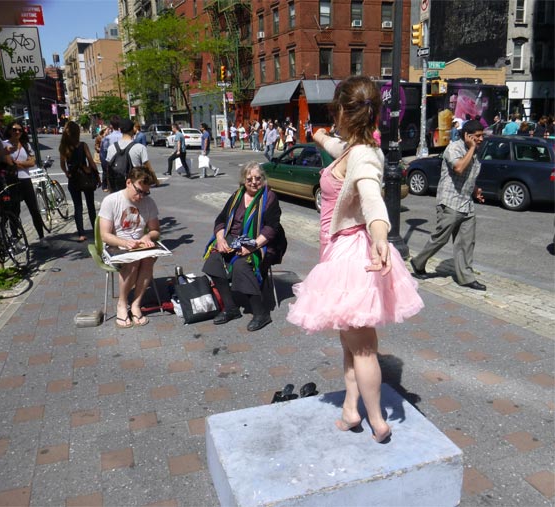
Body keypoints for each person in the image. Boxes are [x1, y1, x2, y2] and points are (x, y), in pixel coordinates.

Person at [286, 76, 424, 442]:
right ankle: (351, 410)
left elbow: (372, 197)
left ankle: (378, 421)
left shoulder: (363, 154)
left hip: (352, 255)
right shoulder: (355, 147)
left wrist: (381, 237)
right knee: (351, 342)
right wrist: (317, 136)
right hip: (341, 252)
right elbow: (338, 149)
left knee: (362, 348)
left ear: (342, 112)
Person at [203, 162, 287, 332]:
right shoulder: (237, 195)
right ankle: (230, 308)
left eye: (258, 178)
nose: (254, 182)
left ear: (263, 179)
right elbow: (220, 219)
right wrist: (220, 239)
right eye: (250, 179)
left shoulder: (269, 197)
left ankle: (261, 313)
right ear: (243, 180)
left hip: (261, 242)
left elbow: (272, 228)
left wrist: (253, 246)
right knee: (213, 261)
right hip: (234, 239)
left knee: (242, 265)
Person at [410, 120, 486, 291]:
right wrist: (472, 148)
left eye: (482, 135)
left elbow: (468, 175)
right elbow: (459, 168)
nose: (481, 139)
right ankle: (418, 261)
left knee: (466, 242)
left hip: (466, 203)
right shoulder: (454, 148)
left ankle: (466, 277)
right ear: (468, 135)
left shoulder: (475, 152)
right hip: (450, 201)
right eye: (478, 136)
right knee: (441, 238)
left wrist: (475, 190)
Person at [99, 166, 160, 328]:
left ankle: (136, 304)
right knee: (133, 262)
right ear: (128, 182)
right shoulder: (111, 201)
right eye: (139, 191)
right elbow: (104, 235)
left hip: (138, 246)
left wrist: (148, 236)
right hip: (114, 246)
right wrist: (124, 243)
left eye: (146, 193)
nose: (141, 197)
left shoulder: (149, 203)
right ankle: (122, 303)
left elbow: (155, 230)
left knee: (149, 258)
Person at [3, 122, 47, 248]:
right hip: (12, 180)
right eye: (14, 130)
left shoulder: (26, 145)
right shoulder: (5, 144)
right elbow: (9, 163)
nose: (17, 132)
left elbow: (32, 162)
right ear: (10, 131)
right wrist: (23, 163)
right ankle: (15, 238)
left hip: (26, 179)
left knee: (34, 209)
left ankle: (42, 237)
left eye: (20, 130)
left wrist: (19, 163)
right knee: (14, 210)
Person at [59, 121, 100, 242]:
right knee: (90, 205)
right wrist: (97, 174)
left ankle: (81, 233)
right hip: (85, 177)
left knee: (78, 207)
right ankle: (95, 229)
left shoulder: (64, 147)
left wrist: (67, 173)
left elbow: (62, 165)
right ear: (77, 132)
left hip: (74, 178)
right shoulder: (83, 145)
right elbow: (91, 161)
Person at [106, 119, 158, 191]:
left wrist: (110, 187)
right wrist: (155, 180)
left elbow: (108, 169)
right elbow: (148, 168)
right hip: (135, 187)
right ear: (133, 129)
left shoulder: (111, 148)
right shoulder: (140, 148)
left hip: (117, 187)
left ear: (120, 130)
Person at [100, 116, 122, 192]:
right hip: (123, 163)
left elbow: (104, 151)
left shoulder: (107, 138)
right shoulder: (124, 136)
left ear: (111, 126)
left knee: (113, 188)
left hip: (112, 163)